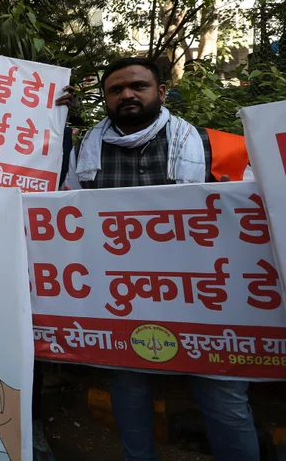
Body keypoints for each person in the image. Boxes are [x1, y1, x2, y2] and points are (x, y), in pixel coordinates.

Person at [62, 57, 260, 461]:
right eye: (116, 90)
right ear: (105, 99)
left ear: (161, 93)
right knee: (129, 394)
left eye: (138, 86)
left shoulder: (216, 147)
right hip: (121, 301)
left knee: (224, 401)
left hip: (208, 303)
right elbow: (61, 218)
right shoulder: (83, 153)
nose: (127, 95)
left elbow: (255, 220)